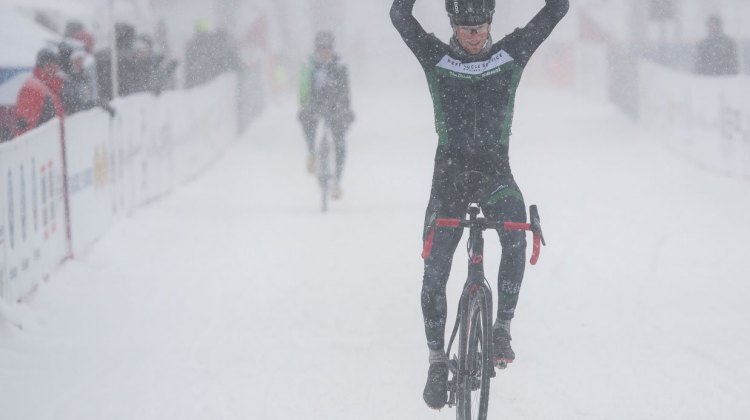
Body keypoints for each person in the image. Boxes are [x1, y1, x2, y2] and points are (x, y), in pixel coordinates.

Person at [390, 0, 568, 409]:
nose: (472, 34)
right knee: (434, 273)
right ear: (452, 23)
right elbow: (400, 16)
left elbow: (557, 8)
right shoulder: (436, 55)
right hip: (448, 179)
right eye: (465, 26)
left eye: (480, 25)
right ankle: (437, 360)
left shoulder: (512, 52)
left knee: (517, 233)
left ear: (491, 21)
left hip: (495, 174)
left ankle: (502, 326)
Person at [297, 31, 354, 199]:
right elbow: (303, 90)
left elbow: (345, 90)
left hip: (336, 105)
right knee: (307, 120)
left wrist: (346, 110)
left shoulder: (340, 65)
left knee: (340, 143)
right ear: (316, 50)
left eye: (327, 50)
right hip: (315, 104)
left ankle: (336, 182)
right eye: (321, 50)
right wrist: (305, 106)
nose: (324, 53)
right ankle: (312, 153)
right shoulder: (309, 65)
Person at [14, 49, 65, 137]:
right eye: (48, 65)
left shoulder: (52, 87)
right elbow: (24, 126)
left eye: (55, 64)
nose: (53, 68)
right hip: (39, 143)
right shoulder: (32, 87)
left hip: (53, 140)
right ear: (40, 67)